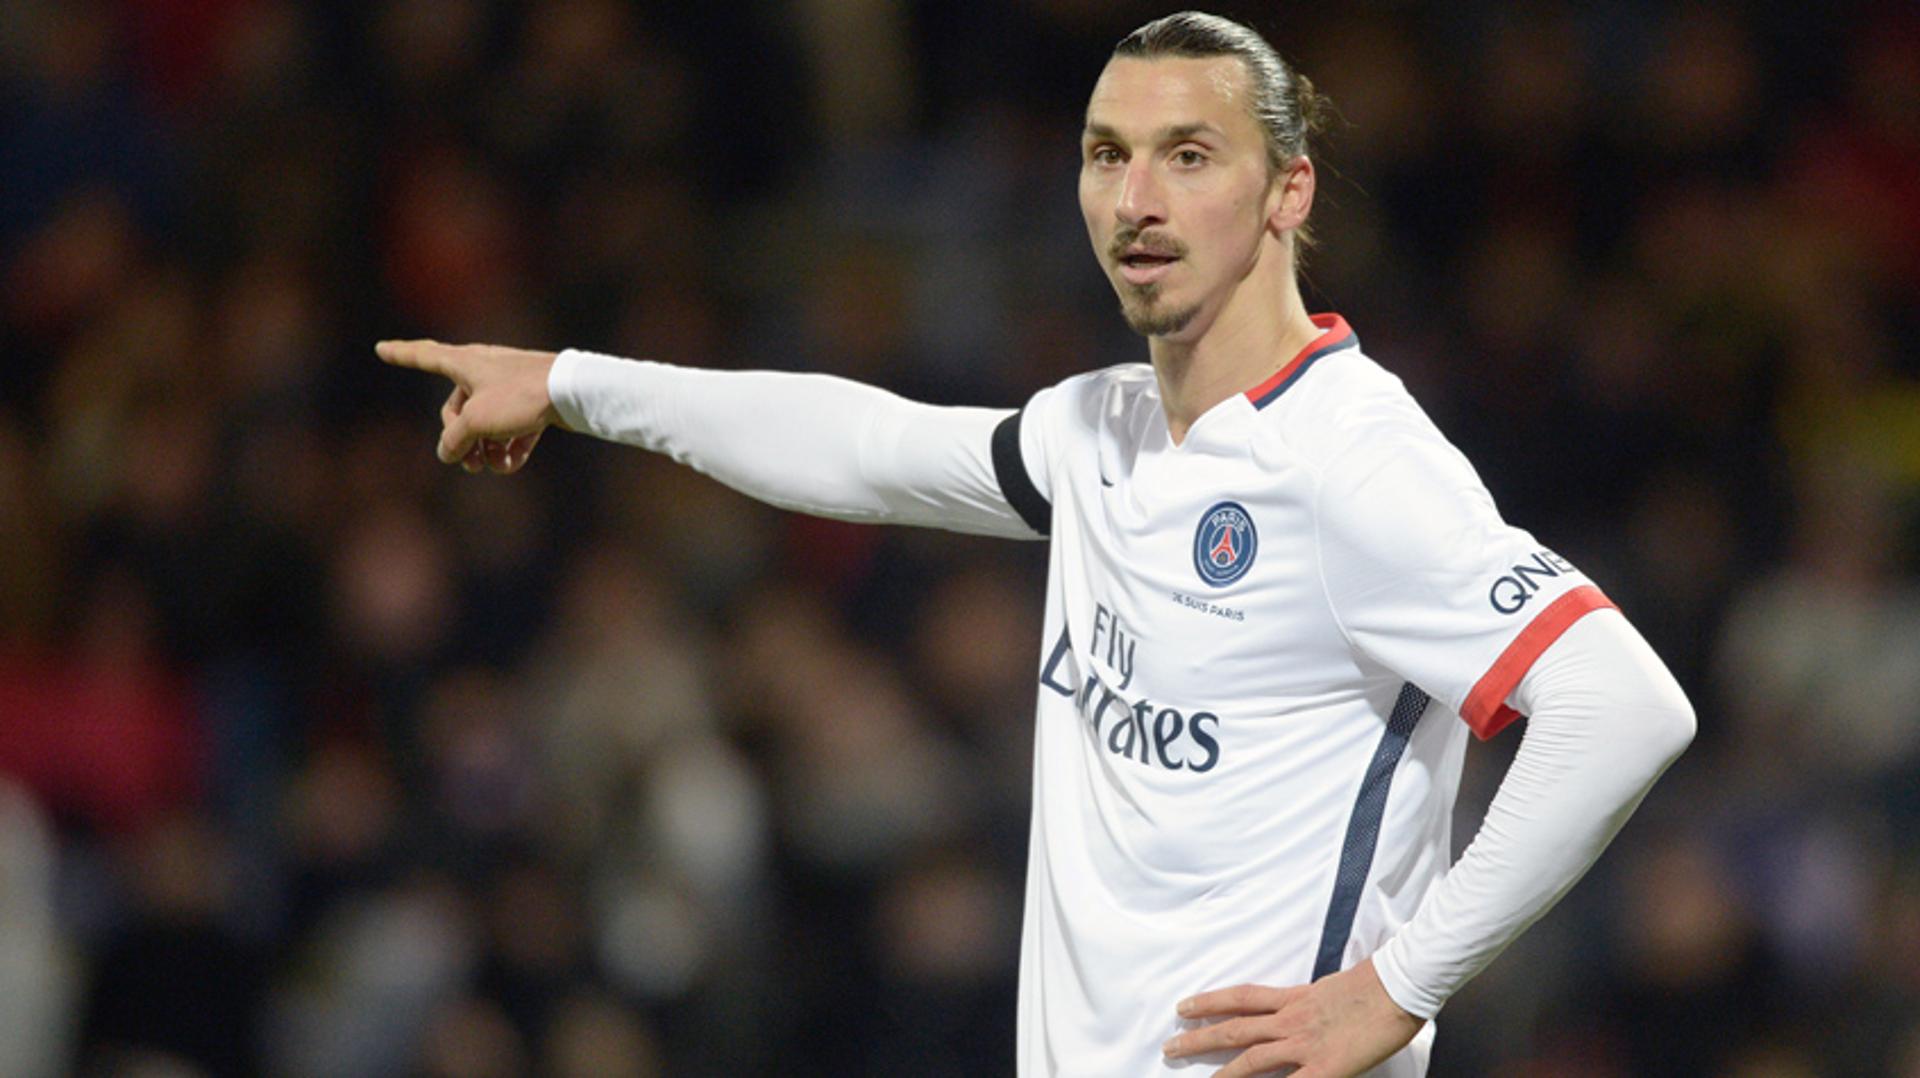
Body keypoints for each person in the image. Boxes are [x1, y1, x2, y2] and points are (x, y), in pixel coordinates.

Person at [378, 12, 1694, 1077]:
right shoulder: (1103, 432)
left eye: (1189, 154)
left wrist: (1398, 989)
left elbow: (1622, 707)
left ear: (1287, 190)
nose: (1136, 198)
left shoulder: (1351, 459)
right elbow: (864, 447)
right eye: (1105, 153)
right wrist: (571, 379)